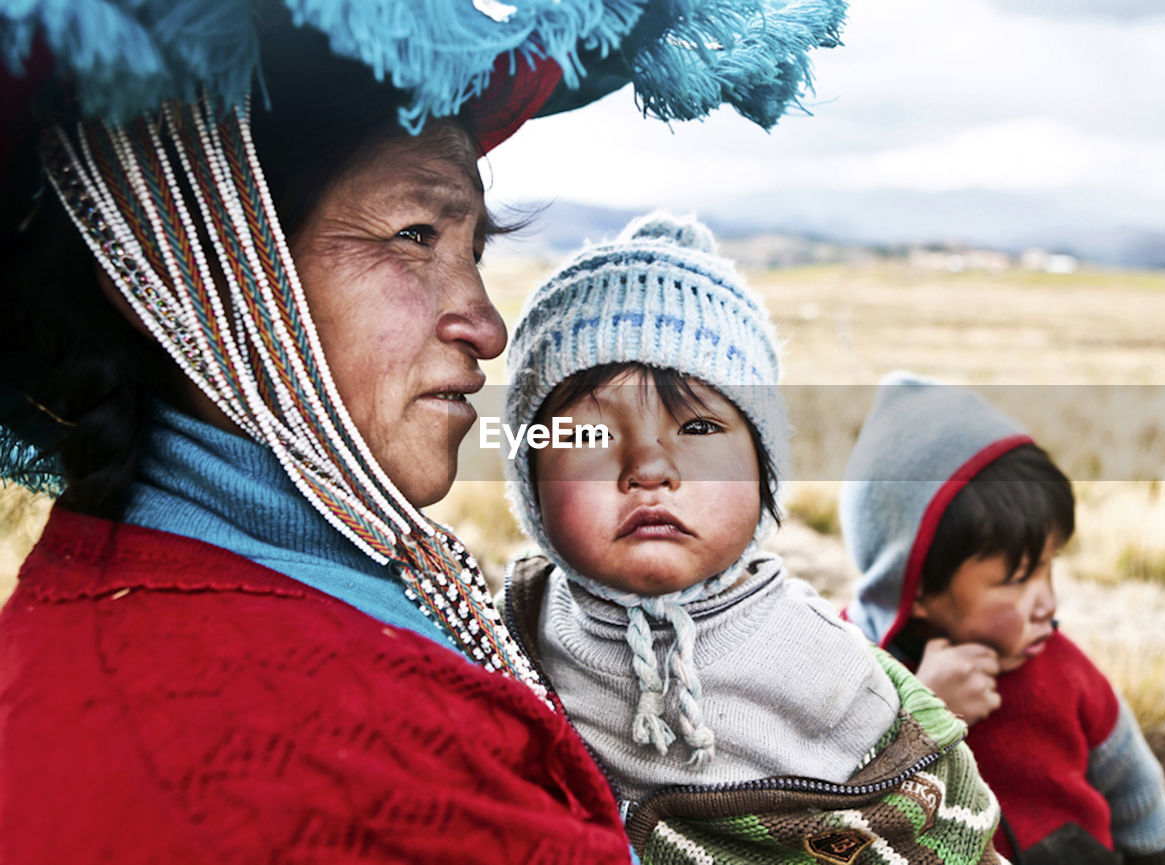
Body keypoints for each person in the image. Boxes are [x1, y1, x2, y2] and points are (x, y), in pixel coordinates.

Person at [0, 2, 846, 862]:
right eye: (414, 235)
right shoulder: (324, 750)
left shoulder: (175, 599)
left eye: (473, 249)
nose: (487, 325)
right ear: (199, 262)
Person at [499, 213, 1004, 864]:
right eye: (590, 435)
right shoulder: (511, 629)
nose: (649, 469)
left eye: (700, 429)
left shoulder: (828, 669)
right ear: (530, 481)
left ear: (764, 465)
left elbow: (949, 825)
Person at [839, 372, 1165, 865]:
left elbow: (1136, 790)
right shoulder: (845, 672)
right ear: (912, 584)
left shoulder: (1062, 670)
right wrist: (922, 721)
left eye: (1051, 565)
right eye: (1018, 578)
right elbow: (831, 816)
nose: (1048, 603)